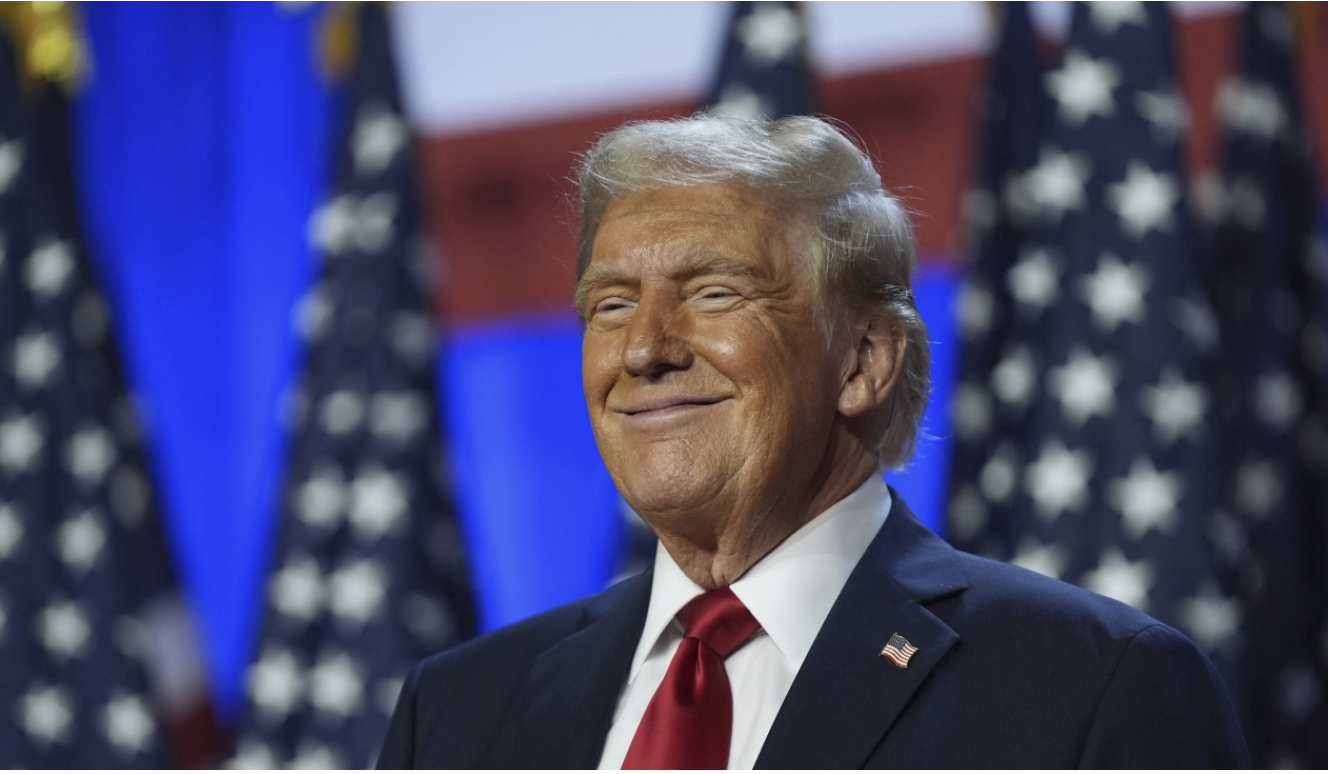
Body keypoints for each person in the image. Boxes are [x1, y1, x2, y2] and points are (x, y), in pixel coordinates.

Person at [377, 115, 1248, 768]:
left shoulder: (1092, 689)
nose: (643, 349)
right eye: (609, 306)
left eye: (714, 294)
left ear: (862, 361)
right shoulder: (458, 714)